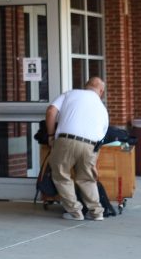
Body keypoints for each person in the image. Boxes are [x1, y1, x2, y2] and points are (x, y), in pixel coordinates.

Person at [44, 76, 108, 221]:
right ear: (101, 91)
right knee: (87, 179)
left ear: (86, 86)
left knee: (61, 175)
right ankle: (96, 212)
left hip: (66, 140)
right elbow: (103, 134)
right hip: (91, 145)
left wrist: (50, 135)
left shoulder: (70, 94)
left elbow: (50, 111)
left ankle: (75, 212)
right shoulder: (102, 108)